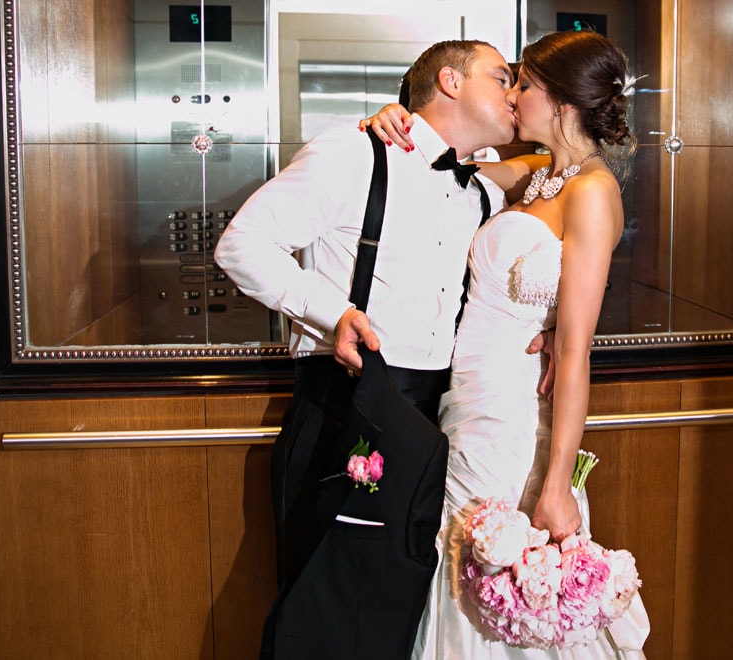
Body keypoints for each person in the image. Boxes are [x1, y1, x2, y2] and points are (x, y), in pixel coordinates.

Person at [215, 39, 538, 660]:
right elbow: (242, 246)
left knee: (396, 611)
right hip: (346, 404)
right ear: (449, 80)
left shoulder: (480, 187)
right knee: (323, 606)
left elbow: (560, 159)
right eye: (502, 77)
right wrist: (331, 313)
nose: (512, 91)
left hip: (430, 418)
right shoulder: (353, 152)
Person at [360, 29, 651, 659]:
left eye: (525, 84)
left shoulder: (594, 191)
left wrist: (555, 484)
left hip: (516, 411)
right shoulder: (539, 173)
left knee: (500, 571)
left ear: (563, 99)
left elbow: (574, 351)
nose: (514, 95)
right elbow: (438, 162)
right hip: (467, 396)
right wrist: (395, 119)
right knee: (453, 555)